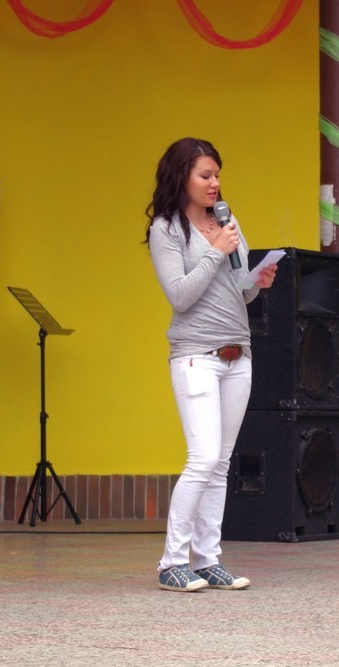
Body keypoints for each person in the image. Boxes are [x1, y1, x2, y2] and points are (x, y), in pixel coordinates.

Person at [144, 137, 278, 592]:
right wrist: (215, 250)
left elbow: (240, 290)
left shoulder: (226, 220)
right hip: (196, 357)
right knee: (201, 459)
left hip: (238, 355)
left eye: (217, 174)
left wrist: (257, 280)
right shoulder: (166, 229)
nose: (215, 183)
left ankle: (207, 559)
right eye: (205, 175)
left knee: (220, 463)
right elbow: (180, 295)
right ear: (181, 176)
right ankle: (171, 563)